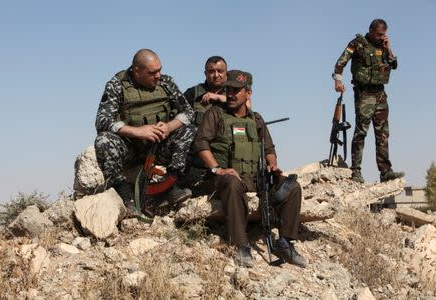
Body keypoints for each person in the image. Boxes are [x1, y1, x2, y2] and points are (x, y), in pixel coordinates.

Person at [194, 70, 306, 268]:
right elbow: (201, 144)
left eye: (236, 90)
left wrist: (272, 166)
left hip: (256, 176)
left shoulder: (257, 119)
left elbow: (269, 148)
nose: (230, 94)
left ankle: (286, 242)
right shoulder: (215, 114)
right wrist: (217, 169)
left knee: (293, 187)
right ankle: (241, 245)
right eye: (228, 89)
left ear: (248, 93)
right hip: (227, 177)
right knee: (231, 183)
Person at [94, 49, 195, 213]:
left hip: (160, 147)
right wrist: (138, 131)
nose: (158, 76)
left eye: (160, 70)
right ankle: (124, 196)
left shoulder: (166, 83)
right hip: (131, 149)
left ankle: (171, 186)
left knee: (189, 130)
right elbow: (102, 121)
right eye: (152, 72)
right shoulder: (117, 85)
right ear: (137, 71)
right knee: (103, 141)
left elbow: (189, 112)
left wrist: (169, 127)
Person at [333, 19, 404, 183]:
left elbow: (394, 65)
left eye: (384, 34)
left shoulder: (383, 46)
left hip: (380, 94)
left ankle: (385, 171)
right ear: (371, 31)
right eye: (379, 34)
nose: (381, 37)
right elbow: (340, 63)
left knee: (383, 134)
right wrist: (338, 81)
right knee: (361, 133)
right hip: (364, 94)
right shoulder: (357, 43)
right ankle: (356, 171)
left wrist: (388, 48)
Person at [183, 56, 227, 126]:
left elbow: (245, 108)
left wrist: (219, 97)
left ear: (226, 73)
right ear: (205, 73)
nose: (216, 75)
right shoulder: (193, 93)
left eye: (220, 71)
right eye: (211, 72)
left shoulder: (234, 92)